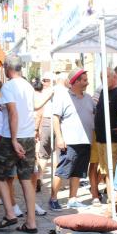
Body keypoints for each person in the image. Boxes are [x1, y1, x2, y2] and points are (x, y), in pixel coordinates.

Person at [0, 57, 47, 233]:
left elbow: (14, 113)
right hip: (28, 136)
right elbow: (32, 107)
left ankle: (10, 213)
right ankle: (31, 222)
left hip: (11, 137)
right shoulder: (27, 85)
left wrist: (14, 140)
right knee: (26, 179)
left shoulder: (8, 86)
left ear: (7, 68)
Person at [49, 68, 95, 210]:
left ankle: (72, 199)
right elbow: (55, 118)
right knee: (62, 171)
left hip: (85, 140)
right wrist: (59, 138)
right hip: (69, 141)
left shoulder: (88, 98)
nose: (87, 82)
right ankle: (53, 198)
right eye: (85, 80)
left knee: (78, 171)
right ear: (75, 81)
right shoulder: (63, 96)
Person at [95, 67, 117, 207]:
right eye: (102, 78)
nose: (104, 80)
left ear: (114, 78)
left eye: (106, 77)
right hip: (102, 139)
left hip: (113, 140)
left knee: (113, 172)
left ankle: (115, 203)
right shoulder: (103, 91)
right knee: (107, 171)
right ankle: (111, 200)